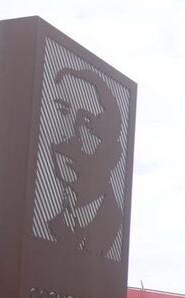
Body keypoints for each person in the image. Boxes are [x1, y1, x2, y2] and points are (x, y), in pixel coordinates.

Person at [47, 67, 123, 258]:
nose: (71, 136)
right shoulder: (49, 219)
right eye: (63, 111)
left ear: (112, 152)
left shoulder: (111, 226)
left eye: (87, 123)